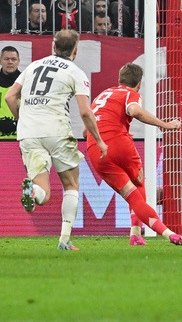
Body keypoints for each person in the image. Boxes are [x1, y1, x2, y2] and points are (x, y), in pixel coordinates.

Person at [3, 30, 108, 251]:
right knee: (71, 185)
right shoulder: (75, 72)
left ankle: (33, 192)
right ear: (75, 50)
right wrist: (98, 140)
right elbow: (86, 112)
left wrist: (22, 119)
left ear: (53, 46)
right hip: (57, 131)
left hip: (28, 133)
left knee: (43, 194)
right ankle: (64, 239)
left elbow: (9, 96)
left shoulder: (33, 66)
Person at [87, 63, 182, 247]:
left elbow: (86, 130)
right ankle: (168, 235)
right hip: (118, 144)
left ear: (119, 79)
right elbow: (134, 111)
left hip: (95, 148)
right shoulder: (131, 93)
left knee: (131, 195)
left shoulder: (102, 96)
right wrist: (165, 125)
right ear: (139, 84)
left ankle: (136, 236)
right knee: (139, 184)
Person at [0, 45, 21, 140]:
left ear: (18, 61)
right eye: (6, 59)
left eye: (13, 59)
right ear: (0, 61)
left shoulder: (26, 82)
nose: (10, 62)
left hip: (21, 138)